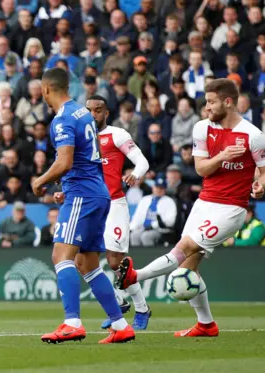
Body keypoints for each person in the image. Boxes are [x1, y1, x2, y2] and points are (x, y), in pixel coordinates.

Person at [117, 79, 265, 338]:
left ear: (228, 102)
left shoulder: (253, 135)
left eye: (211, 102)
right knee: (187, 268)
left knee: (187, 246)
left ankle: (134, 276)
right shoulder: (202, 128)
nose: (207, 107)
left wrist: (260, 184)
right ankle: (206, 325)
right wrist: (223, 156)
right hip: (204, 203)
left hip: (231, 209)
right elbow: (201, 168)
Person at [32, 68, 135, 344]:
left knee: (60, 256)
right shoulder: (84, 114)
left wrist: (41, 180)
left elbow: (65, 162)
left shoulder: (63, 119)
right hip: (96, 192)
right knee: (87, 263)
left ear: (46, 89)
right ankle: (121, 324)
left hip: (82, 193)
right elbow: (94, 156)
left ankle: (72, 323)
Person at [86, 95, 151, 330]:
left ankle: (142, 308)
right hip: (89, 206)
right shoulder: (81, 139)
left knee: (116, 261)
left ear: (106, 114)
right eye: (89, 110)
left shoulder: (117, 135)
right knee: (83, 259)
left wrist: (135, 174)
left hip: (114, 204)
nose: (93, 114)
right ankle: (119, 303)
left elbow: (142, 161)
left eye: (98, 110)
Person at [129, 176, 177, 246]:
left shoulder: (169, 201)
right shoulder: (144, 200)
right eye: (157, 187)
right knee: (134, 235)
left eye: (161, 188)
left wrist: (153, 225)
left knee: (146, 236)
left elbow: (170, 221)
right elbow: (137, 217)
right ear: (153, 187)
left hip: (160, 230)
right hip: (144, 228)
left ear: (165, 190)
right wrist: (131, 228)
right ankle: (137, 257)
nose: (159, 190)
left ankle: (149, 257)